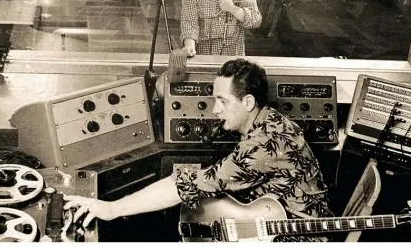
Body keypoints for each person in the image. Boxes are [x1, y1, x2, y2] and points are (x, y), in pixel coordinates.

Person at [63, 58, 332, 242]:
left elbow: (186, 185)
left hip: (296, 237)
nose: (215, 110)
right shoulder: (271, 122)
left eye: (222, 101)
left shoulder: (264, 145)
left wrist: (110, 209)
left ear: (248, 102)